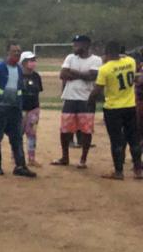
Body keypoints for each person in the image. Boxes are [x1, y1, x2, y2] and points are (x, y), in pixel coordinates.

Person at [90, 41, 141, 180]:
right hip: (130, 106)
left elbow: (97, 90)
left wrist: (90, 100)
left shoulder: (105, 69)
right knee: (134, 138)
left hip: (113, 108)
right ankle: (138, 169)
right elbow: (127, 60)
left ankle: (119, 172)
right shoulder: (130, 61)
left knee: (116, 140)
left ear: (106, 53)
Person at [53, 34, 102, 168]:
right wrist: (83, 75)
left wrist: (74, 73)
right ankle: (65, 157)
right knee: (65, 130)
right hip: (70, 97)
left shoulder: (96, 60)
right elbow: (62, 74)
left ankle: (83, 159)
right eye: (74, 44)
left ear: (86, 45)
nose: (74, 46)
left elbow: (92, 76)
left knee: (86, 131)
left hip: (86, 99)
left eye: (78, 44)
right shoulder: (70, 57)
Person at [0, 43, 36, 177]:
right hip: (1, 108)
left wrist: (19, 104)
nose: (17, 54)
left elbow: (19, 88)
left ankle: (20, 166)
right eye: (14, 51)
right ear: (7, 52)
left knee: (17, 138)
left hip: (15, 109)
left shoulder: (19, 69)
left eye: (19, 52)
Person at [20, 50, 44, 167]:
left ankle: (31, 158)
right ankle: (17, 157)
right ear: (23, 62)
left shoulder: (36, 76)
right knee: (18, 133)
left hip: (33, 108)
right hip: (20, 109)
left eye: (34, 60)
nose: (33, 63)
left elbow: (37, 91)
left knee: (32, 134)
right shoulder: (18, 75)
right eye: (30, 60)